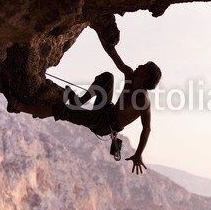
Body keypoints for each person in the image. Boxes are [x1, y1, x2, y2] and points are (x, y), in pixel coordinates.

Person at [14, 48, 162, 175]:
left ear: (147, 76)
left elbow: (147, 128)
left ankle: (21, 107)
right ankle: (79, 101)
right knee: (107, 78)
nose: (139, 66)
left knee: (63, 111)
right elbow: (114, 55)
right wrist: (101, 32)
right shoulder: (129, 75)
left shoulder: (143, 101)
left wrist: (138, 154)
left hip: (104, 124)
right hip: (105, 110)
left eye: (143, 67)